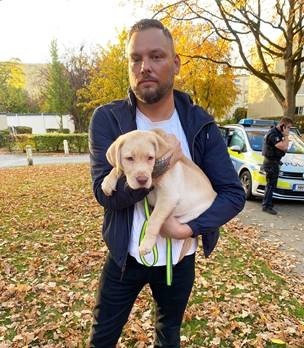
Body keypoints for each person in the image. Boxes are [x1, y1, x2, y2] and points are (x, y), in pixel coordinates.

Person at [88, 18, 246, 348]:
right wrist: (162, 163)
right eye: (136, 58)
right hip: (125, 257)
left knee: (168, 334)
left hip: (178, 258)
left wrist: (189, 229)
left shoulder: (200, 123)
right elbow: (107, 197)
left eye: (157, 56)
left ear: (175, 63)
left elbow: (233, 194)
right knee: (102, 338)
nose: (145, 66)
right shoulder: (109, 120)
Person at [262, 117, 293, 215]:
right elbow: (284, 147)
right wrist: (286, 136)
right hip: (271, 162)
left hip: (274, 162)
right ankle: (266, 206)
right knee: (270, 185)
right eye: (288, 127)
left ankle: (268, 203)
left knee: (271, 185)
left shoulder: (278, 133)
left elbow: (285, 148)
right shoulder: (273, 134)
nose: (288, 130)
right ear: (283, 125)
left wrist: (285, 141)